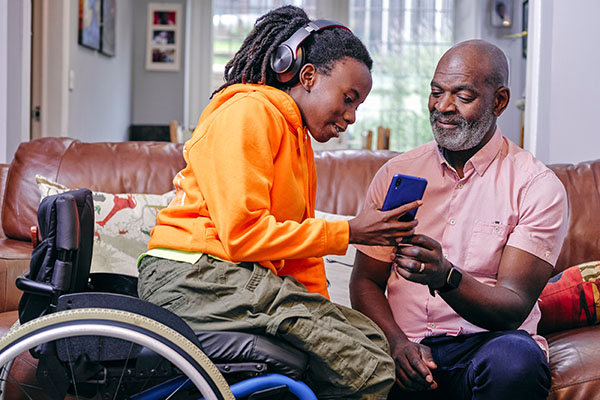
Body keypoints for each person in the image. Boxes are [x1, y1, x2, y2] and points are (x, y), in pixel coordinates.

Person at [138, 5, 418, 399]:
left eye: (358, 106)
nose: (352, 117)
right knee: (365, 367)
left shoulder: (297, 139)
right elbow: (242, 235)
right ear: (307, 76)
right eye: (348, 98)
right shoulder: (248, 112)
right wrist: (351, 231)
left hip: (230, 277)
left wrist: (319, 311)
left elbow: (299, 260)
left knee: (369, 337)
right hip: (192, 275)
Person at [350, 40, 569, 400]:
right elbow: (365, 282)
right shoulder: (397, 173)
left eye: (462, 96)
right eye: (436, 93)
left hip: (486, 345)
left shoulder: (535, 185)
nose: (443, 107)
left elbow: (513, 307)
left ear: (499, 101)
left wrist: (446, 277)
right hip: (408, 349)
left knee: (516, 363)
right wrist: (397, 344)